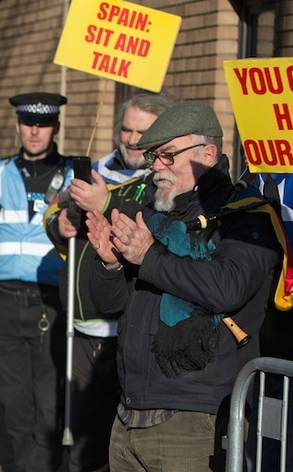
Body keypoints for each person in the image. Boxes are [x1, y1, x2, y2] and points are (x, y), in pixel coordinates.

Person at [85, 101, 281, 472]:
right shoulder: (153, 211)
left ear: (206, 154)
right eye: (154, 157)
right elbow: (110, 304)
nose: (157, 167)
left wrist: (149, 257)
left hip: (194, 418)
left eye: (168, 156)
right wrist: (110, 265)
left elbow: (228, 287)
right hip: (128, 412)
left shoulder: (246, 215)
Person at [45, 92, 175, 472]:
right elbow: (54, 214)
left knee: (124, 446)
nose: (132, 139)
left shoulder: (162, 182)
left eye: (142, 131)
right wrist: (60, 223)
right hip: (81, 329)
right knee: (81, 440)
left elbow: (155, 230)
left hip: (128, 332)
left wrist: (105, 203)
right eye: (126, 129)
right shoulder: (94, 169)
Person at [0, 92, 71, 471]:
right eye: (28, 123)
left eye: (43, 124)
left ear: (55, 128)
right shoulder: (0, 173)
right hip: (6, 305)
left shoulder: (74, 175)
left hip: (52, 303)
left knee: (49, 408)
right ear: (17, 126)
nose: (35, 131)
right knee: (16, 408)